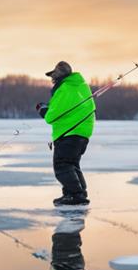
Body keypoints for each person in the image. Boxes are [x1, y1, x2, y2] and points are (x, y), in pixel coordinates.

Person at [36, 61, 95, 207]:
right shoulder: (81, 86)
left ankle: (75, 195)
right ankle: (75, 193)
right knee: (72, 164)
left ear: (58, 76)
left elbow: (51, 117)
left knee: (62, 165)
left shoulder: (64, 88)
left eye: (53, 76)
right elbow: (68, 108)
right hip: (83, 132)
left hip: (69, 133)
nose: (52, 80)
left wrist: (42, 110)